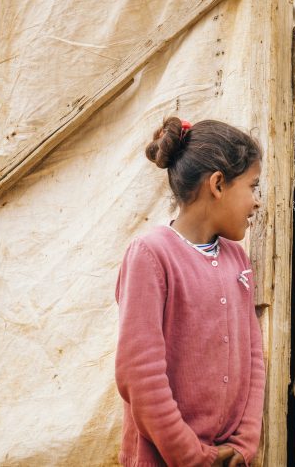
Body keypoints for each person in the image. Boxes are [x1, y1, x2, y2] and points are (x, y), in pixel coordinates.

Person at [115, 117, 265, 467]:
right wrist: (192, 456)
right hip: (164, 459)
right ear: (218, 184)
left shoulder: (236, 259)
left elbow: (254, 357)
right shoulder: (152, 256)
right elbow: (140, 375)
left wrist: (243, 445)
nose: (256, 202)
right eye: (252, 187)